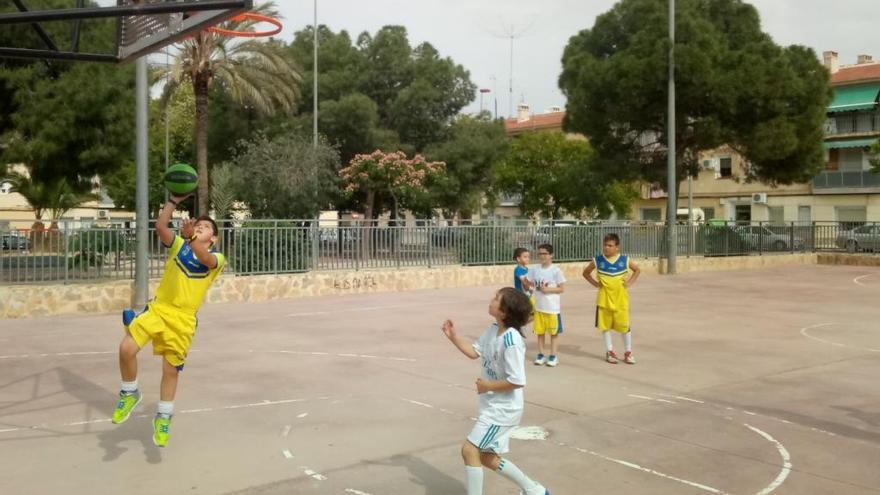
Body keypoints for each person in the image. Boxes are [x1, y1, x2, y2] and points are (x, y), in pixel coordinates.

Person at [110, 193, 226, 447]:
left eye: (205, 227)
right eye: (197, 225)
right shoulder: (179, 246)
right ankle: (130, 392)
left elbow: (204, 259)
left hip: (183, 320)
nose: (199, 228)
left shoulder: (217, 260)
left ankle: (163, 416)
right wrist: (172, 202)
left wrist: (192, 237)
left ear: (213, 238)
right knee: (126, 348)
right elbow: (161, 226)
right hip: (159, 308)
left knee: (170, 370)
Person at [441, 287, 549, 495]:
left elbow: (517, 380)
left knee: (469, 450)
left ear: (504, 312)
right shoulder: (492, 329)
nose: (491, 300)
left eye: (496, 299)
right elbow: (474, 352)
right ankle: (534, 490)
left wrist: (487, 386)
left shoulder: (511, 340)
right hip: (493, 406)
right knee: (486, 457)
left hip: (503, 410)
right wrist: (453, 337)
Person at [582, 233, 641, 364]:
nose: (606, 248)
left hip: (621, 300)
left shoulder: (624, 260)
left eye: (610, 245)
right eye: (605, 245)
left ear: (617, 247)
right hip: (604, 300)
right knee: (605, 327)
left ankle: (628, 352)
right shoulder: (598, 260)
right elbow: (585, 273)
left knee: (625, 327)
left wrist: (629, 283)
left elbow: (637, 270)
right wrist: (595, 283)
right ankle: (610, 351)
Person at [524, 244, 566, 367]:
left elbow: (562, 288)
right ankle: (541, 355)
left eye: (545, 253)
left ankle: (553, 356)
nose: (542, 256)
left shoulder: (556, 270)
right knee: (540, 333)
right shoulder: (535, 269)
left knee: (553, 333)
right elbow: (527, 282)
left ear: (551, 255)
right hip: (539, 307)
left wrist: (548, 290)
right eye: (540, 253)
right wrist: (530, 288)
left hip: (552, 308)